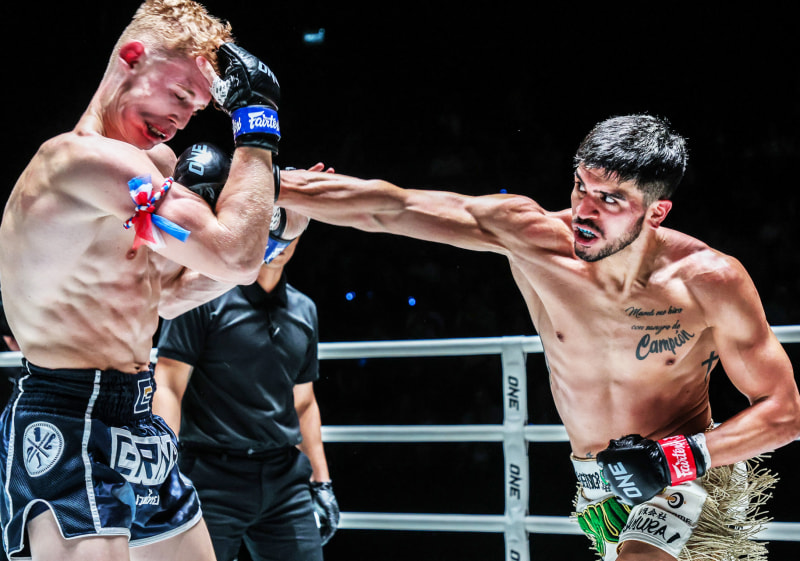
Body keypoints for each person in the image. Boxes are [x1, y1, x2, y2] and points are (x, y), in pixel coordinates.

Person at [277, 113, 800, 560]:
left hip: (684, 473)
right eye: (581, 187)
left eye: (610, 200)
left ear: (656, 212)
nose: (586, 211)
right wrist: (267, 181)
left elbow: (785, 412)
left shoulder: (708, 280)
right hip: (595, 488)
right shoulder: (534, 240)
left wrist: (673, 459)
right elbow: (392, 207)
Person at [0, 0, 288, 558]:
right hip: (66, 416)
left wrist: (270, 241)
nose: (182, 120)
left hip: (136, 411)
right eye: (179, 95)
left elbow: (170, 297)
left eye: (196, 109)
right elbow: (233, 257)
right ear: (132, 57)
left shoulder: (152, 166)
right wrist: (258, 122)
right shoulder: (78, 162)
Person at [153, 143, 338, 561]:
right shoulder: (203, 294)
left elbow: (304, 402)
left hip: (284, 478)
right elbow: (168, 382)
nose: (280, 234)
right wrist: (165, 474)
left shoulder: (304, 310)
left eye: (286, 219)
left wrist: (322, 482)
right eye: (272, 217)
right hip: (210, 474)